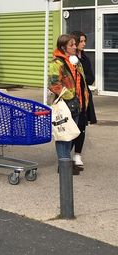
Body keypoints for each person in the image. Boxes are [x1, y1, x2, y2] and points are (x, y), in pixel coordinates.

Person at [49, 34, 89, 175]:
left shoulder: (75, 61)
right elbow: (54, 84)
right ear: (63, 47)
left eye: (74, 44)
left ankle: (66, 163)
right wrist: (70, 97)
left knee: (71, 135)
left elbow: (82, 82)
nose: (74, 47)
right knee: (63, 136)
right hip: (65, 105)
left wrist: (82, 100)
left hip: (77, 104)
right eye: (71, 45)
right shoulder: (57, 63)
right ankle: (63, 165)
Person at [71, 30, 97, 127]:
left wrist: (82, 77)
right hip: (73, 96)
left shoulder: (85, 58)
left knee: (82, 127)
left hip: (84, 94)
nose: (84, 44)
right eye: (81, 41)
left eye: (84, 41)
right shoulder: (70, 59)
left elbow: (91, 79)